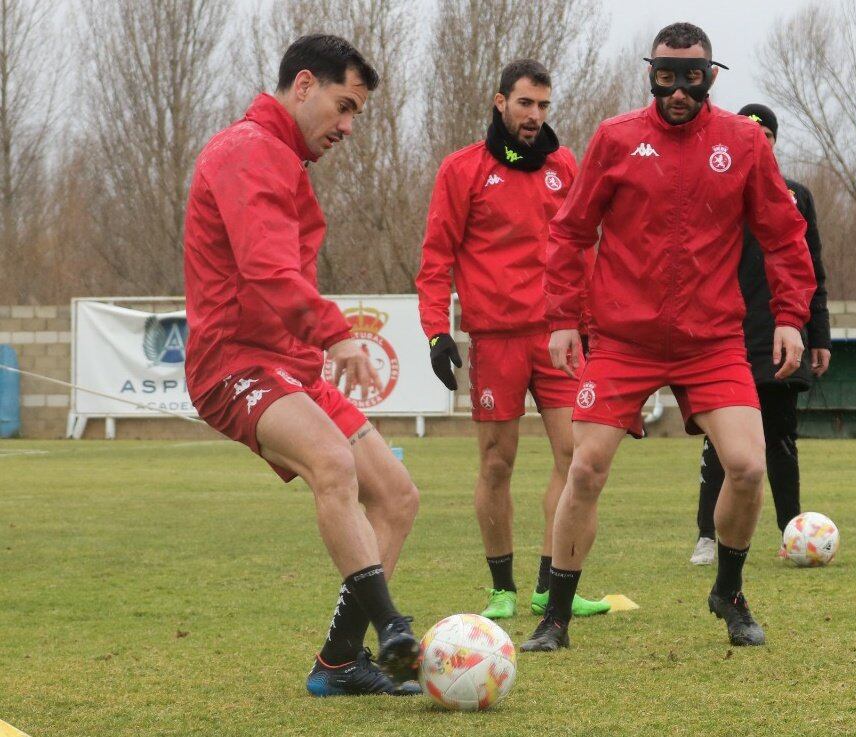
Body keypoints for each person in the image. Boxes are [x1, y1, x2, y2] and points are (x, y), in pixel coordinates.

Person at [521, 22, 816, 653]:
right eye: (666, 76)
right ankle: (557, 616)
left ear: (711, 76)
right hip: (624, 340)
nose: (678, 91)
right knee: (586, 468)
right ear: (651, 73)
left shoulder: (742, 141)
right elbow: (571, 233)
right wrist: (562, 319)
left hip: (711, 341)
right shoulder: (615, 139)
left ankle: (729, 593)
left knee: (746, 467)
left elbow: (784, 235)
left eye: (692, 77)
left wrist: (791, 316)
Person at [183, 35, 421, 697]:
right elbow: (264, 267)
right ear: (305, 85)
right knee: (334, 464)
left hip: (288, 366)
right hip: (234, 364)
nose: (347, 126)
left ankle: (341, 662)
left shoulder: (281, 159)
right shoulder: (249, 150)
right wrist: (334, 332)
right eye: (344, 107)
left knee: (397, 497)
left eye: (357, 115)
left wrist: (317, 346)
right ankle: (392, 626)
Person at [416, 60, 609, 621]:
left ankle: (554, 585)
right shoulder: (462, 170)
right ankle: (502, 587)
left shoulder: (565, 166)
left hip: (559, 336)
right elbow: (436, 258)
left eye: (544, 106)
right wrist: (436, 330)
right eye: (525, 104)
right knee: (497, 463)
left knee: (576, 458)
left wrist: (595, 326)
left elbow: (585, 250)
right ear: (500, 102)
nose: (535, 116)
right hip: (496, 339)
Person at [690, 103, 831, 566]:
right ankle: (707, 536)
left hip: (781, 336)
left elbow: (812, 270)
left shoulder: (796, 196)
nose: (759, 142)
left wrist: (820, 335)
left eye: (766, 135)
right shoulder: (716, 187)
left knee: (781, 438)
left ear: (773, 142)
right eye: (751, 133)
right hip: (725, 336)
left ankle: (792, 534)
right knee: (721, 441)